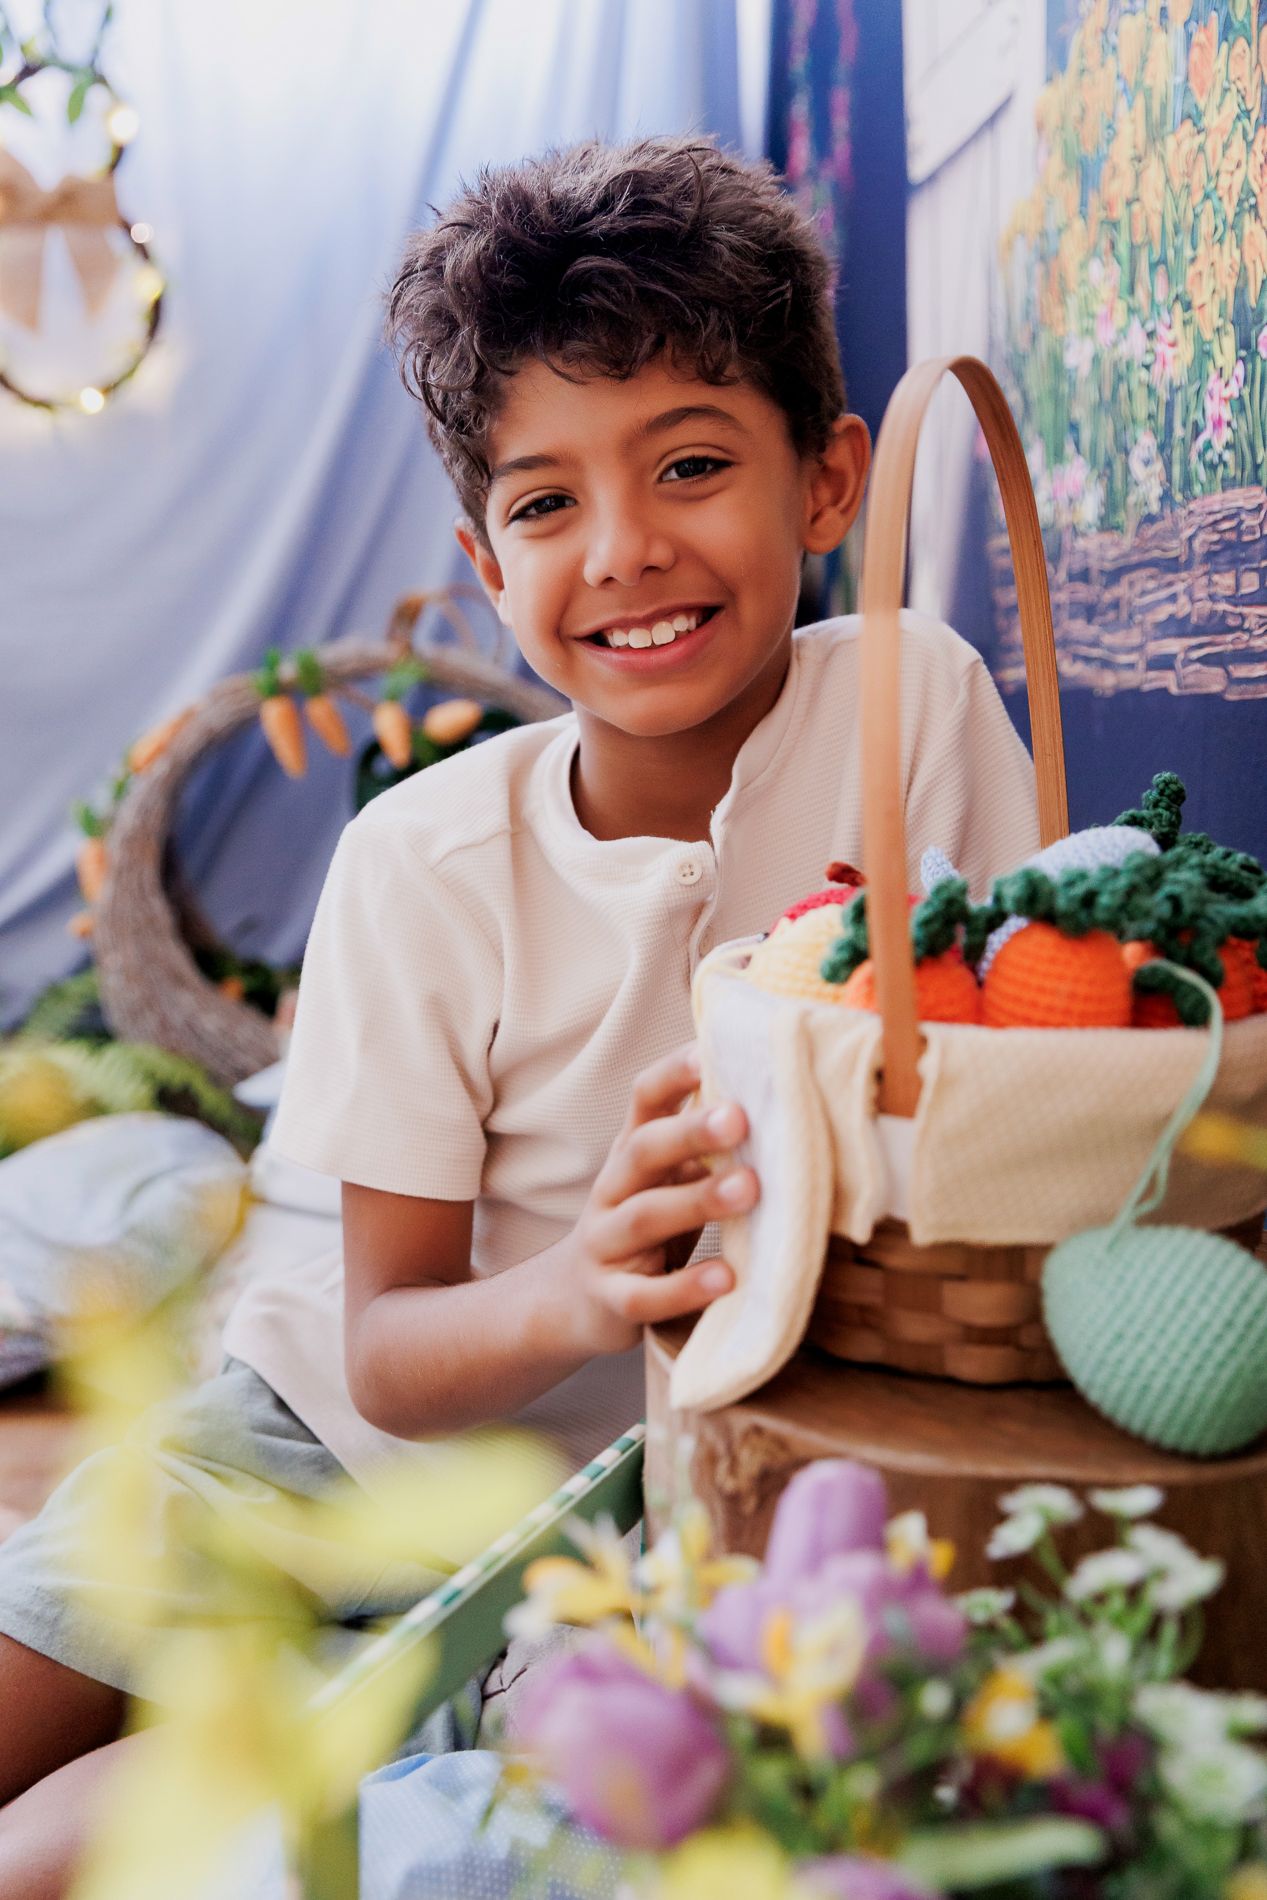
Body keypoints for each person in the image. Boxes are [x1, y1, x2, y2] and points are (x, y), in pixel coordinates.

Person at [0, 134, 1039, 1892]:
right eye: (547, 502)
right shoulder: (426, 859)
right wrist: (580, 1282)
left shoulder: (913, 710)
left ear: (830, 483)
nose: (626, 550)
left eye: (693, 464)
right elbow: (388, 1346)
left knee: (74, 1858)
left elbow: (1028, 1065)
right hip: (320, 1428)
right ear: (489, 566)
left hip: (649, 1494)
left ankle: (346, 1705)